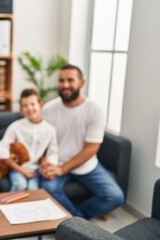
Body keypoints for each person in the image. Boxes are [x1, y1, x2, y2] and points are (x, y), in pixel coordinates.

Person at [40, 64, 124, 219]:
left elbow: (91, 149)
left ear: (81, 82)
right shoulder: (48, 109)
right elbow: (42, 141)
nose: (65, 85)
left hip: (86, 165)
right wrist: (45, 161)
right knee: (47, 189)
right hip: (56, 163)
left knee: (115, 196)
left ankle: (74, 222)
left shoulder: (94, 110)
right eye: (61, 80)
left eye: (70, 80)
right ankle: (77, 224)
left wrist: (63, 169)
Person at [0, 88, 58, 192]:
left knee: (33, 189)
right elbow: (2, 150)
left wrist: (47, 165)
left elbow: (53, 153)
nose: (29, 108)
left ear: (41, 105)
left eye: (33, 104)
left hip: (35, 169)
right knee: (20, 185)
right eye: (25, 105)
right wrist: (22, 171)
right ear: (21, 110)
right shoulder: (15, 127)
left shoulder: (50, 130)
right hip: (18, 168)